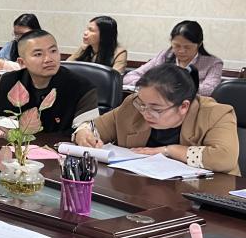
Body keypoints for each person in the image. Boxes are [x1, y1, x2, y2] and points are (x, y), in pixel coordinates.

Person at [73, 64, 239, 175]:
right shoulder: (133, 105)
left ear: (183, 106)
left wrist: (169, 150)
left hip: (205, 198)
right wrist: (84, 133)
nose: (146, 113)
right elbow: (94, 127)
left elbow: (224, 157)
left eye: (156, 109)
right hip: (140, 189)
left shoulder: (215, 114)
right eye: (142, 104)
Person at [0, 29, 99, 132]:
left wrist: (84, 132)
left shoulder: (81, 87)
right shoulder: (9, 81)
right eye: (38, 54)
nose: (49, 59)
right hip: (12, 155)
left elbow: (88, 129)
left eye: (53, 51)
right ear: (22, 62)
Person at [123, 20, 224, 96]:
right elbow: (130, 77)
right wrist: (152, 85)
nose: (181, 51)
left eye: (187, 47)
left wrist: (172, 86)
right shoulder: (164, 56)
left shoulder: (213, 63)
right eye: (176, 46)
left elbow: (210, 89)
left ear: (199, 44)